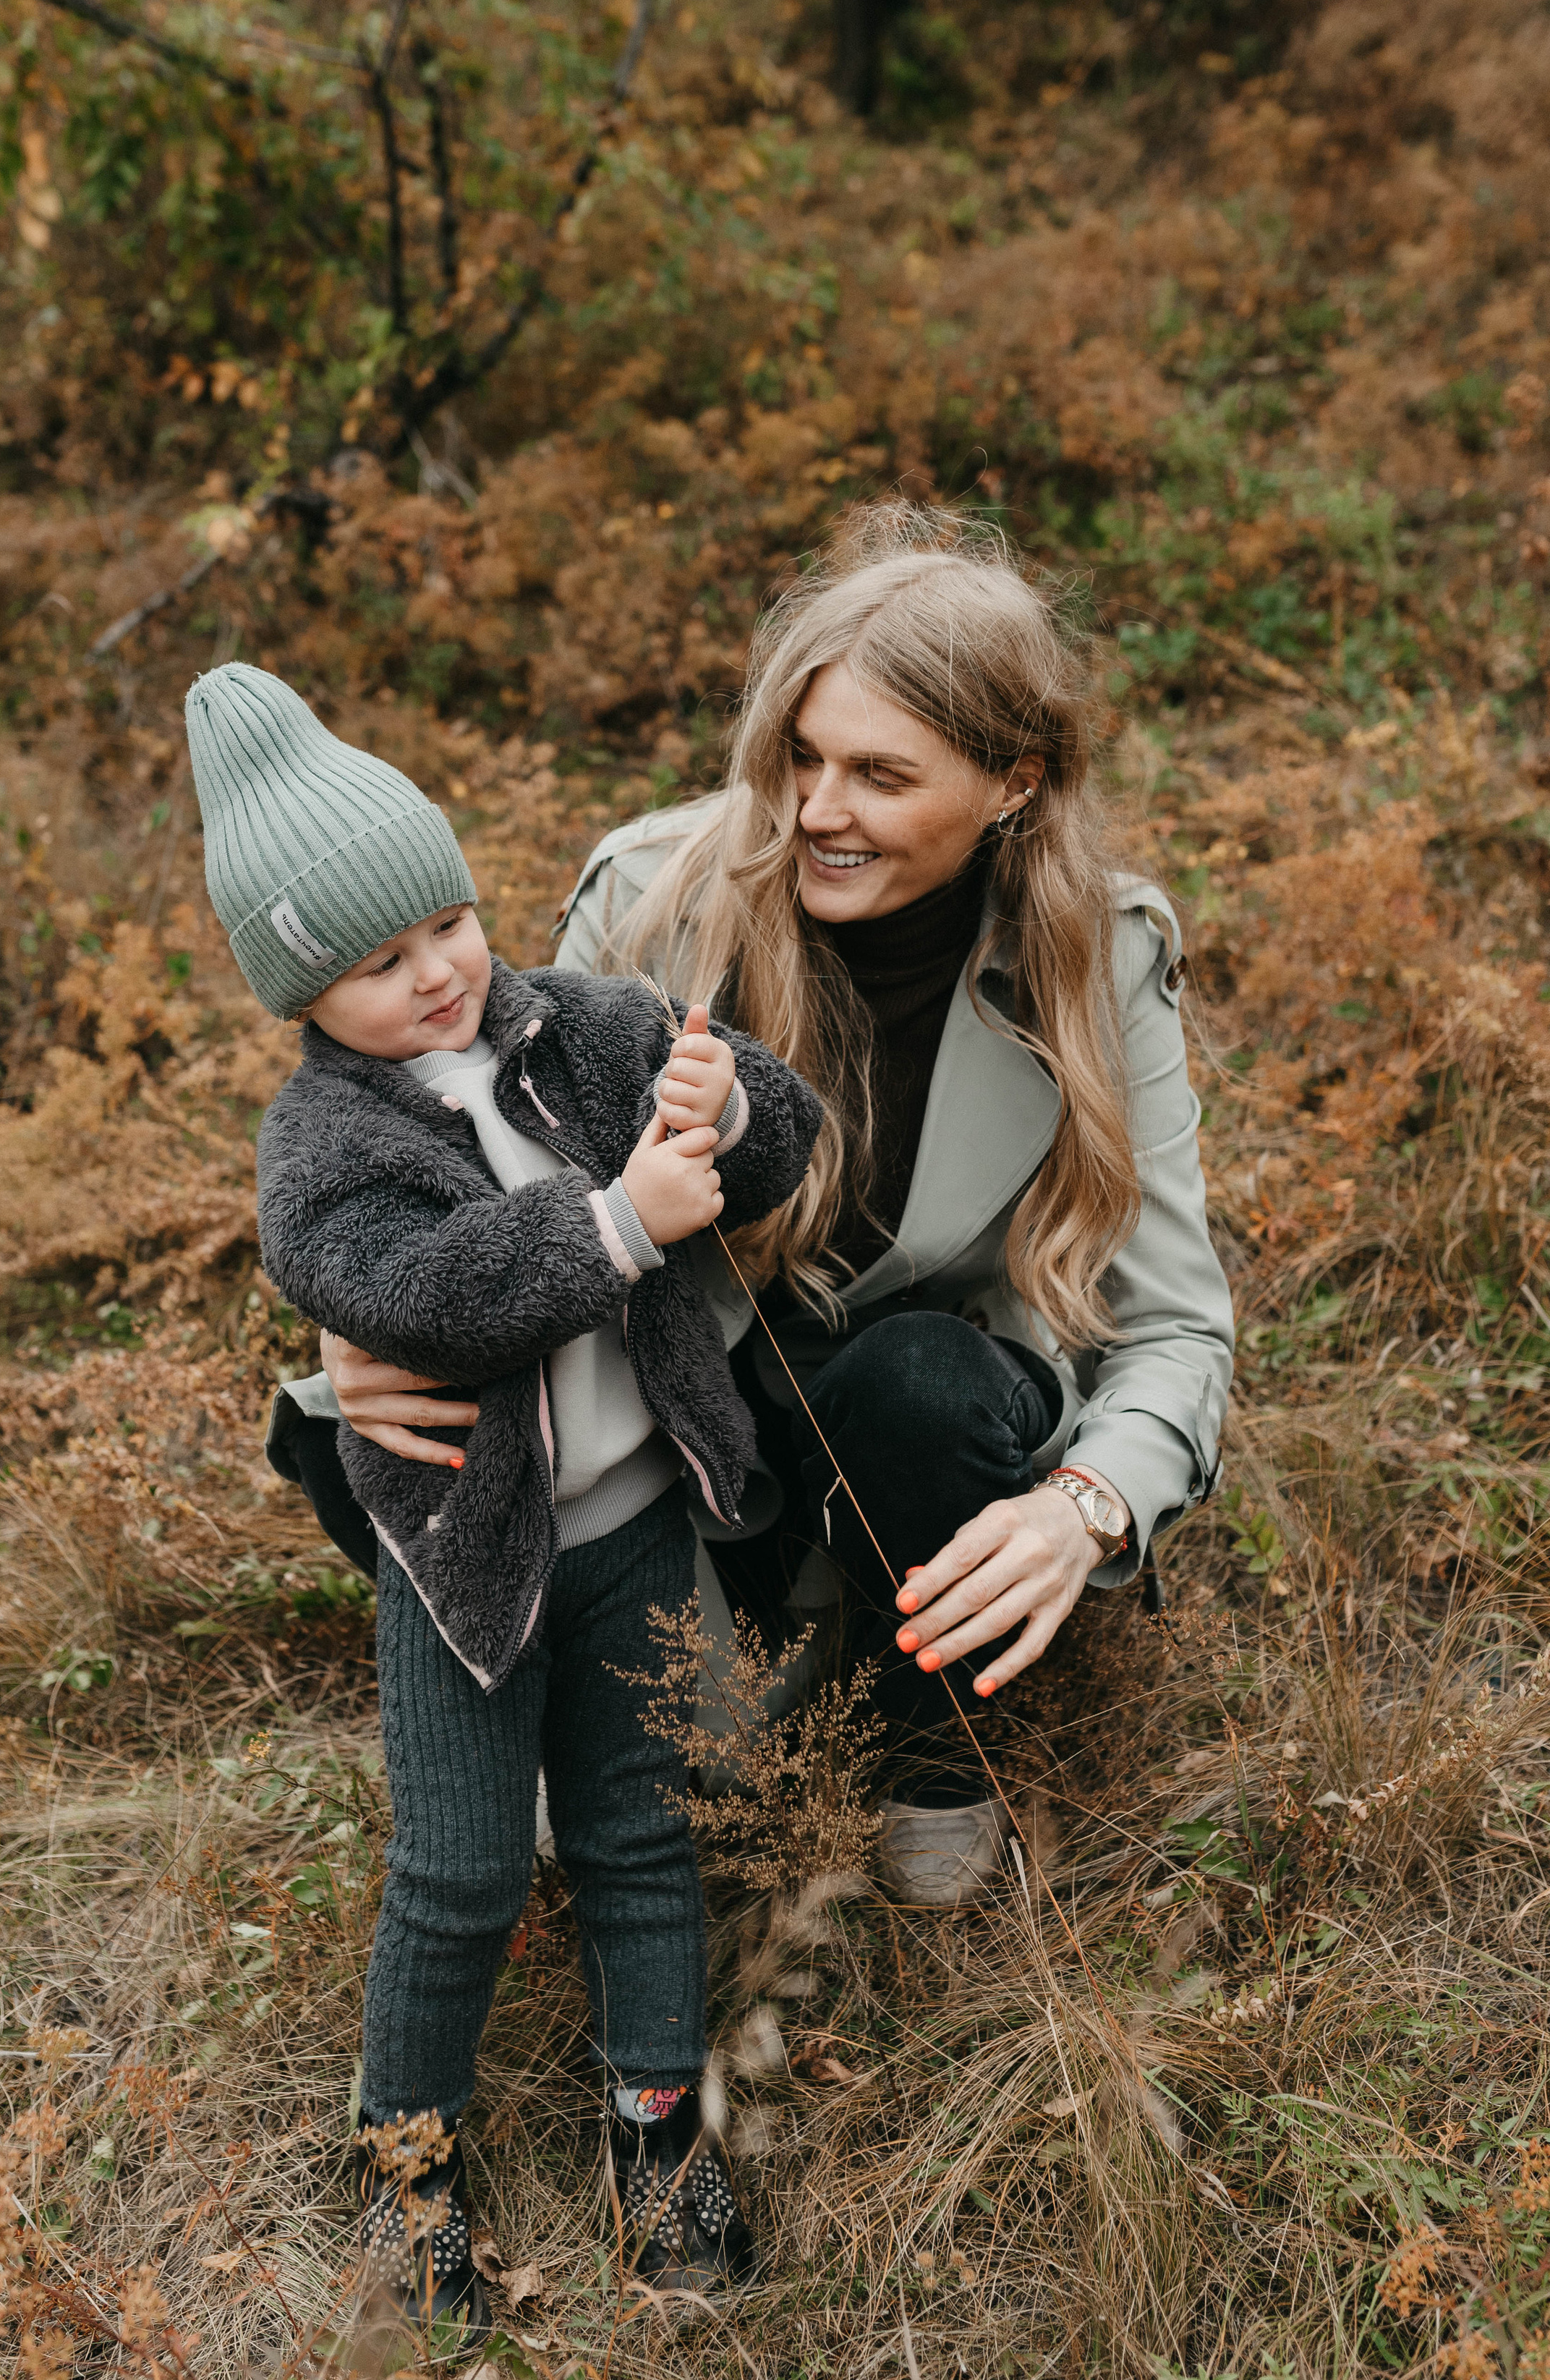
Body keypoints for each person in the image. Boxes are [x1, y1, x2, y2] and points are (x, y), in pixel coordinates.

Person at [318, 507, 1235, 1911]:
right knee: (369, 1444)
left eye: (878, 774)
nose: (815, 811)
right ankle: (602, 1691)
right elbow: (466, 1159)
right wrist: (362, 1320)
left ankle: (931, 1747)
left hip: (913, 1438)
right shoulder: (653, 898)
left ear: (1013, 781)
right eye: (800, 758)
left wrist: (1082, 1509)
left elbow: (1175, 1329)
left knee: (919, 1384)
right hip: (682, 1409)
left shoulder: (1101, 957)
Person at [184, 663, 822, 2332]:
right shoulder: (320, 1145)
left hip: (632, 1534)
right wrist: (621, 1220)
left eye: (449, 923)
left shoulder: (581, 1022)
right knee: (459, 1872)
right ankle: (409, 2157)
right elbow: (423, 1289)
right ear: (299, 995)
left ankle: (657, 2133)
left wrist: (726, 1113)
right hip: (465, 1562)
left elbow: (777, 1138)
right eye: (379, 964)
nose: (439, 974)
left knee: (637, 1836)